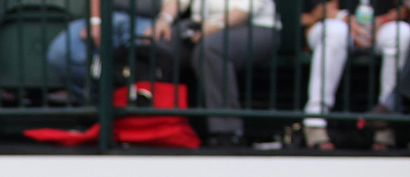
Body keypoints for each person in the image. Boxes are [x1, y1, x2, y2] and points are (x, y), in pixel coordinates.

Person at [150, 0, 281, 145]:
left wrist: (217, 25)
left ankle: (227, 132)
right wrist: (164, 19)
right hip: (201, 25)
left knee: (210, 50)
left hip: (254, 26)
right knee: (157, 44)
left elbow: (246, 9)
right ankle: (154, 126)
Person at [300, 0, 410, 149]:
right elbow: (316, 11)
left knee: (401, 33)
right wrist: (345, 18)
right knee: (337, 32)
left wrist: (383, 20)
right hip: (332, 25)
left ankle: (385, 118)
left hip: (377, 27)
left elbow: (403, 9)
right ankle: (315, 121)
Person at [46, 0, 159, 103]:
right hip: (106, 15)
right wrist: (95, 20)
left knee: (146, 57)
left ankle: (135, 110)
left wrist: (165, 20)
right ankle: (94, 108)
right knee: (61, 52)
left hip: (148, 20)